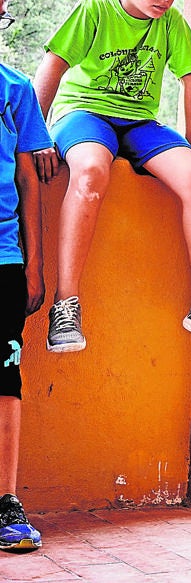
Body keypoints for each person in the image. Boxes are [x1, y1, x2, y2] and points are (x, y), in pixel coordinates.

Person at [32, 0, 191, 353]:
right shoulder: (96, 10)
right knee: (90, 172)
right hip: (84, 113)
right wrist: (35, 137)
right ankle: (66, 304)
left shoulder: (170, 21)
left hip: (140, 123)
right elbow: (53, 66)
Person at [0, 2, 52, 553]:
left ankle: (5, 501)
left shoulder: (16, 90)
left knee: (5, 379)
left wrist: (34, 265)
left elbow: (31, 180)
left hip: (5, 258)